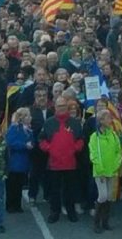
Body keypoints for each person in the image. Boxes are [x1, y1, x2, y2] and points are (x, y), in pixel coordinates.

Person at [39, 94, 85, 222]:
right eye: (59, 106)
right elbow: (41, 140)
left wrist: (75, 149)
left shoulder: (75, 123)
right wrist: (50, 149)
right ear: (55, 107)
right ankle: (55, 212)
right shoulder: (49, 123)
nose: (62, 108)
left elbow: (81, 139)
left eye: (64, 105)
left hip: (71, 163)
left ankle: (71, 211)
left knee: (70, 189)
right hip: (54, 163)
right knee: (55, 190)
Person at [88, 106, 122, 233]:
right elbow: (94, 155)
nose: (111, 120)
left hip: (112, 170)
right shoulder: (94, 137)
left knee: (109, 196)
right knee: (102, 196)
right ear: (101, 120)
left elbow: (118, 151)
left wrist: (115, 167)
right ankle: (96, 223)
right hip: (101, 172)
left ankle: (105, 222)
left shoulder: (113, 135)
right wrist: (101, 171)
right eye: (108, 117)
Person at [5, 107, 35, 212]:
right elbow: (10, 142)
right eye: (27, 115)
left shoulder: (29, 130)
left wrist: (31, 144)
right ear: (21, 118)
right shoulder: (14, 128)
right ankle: (9, 205)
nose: (30, 117)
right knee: (12, 185)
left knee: (19, 185)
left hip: (24, 161)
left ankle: (17, 205)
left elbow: (32, 141)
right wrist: (24, 145)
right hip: (14, 162)